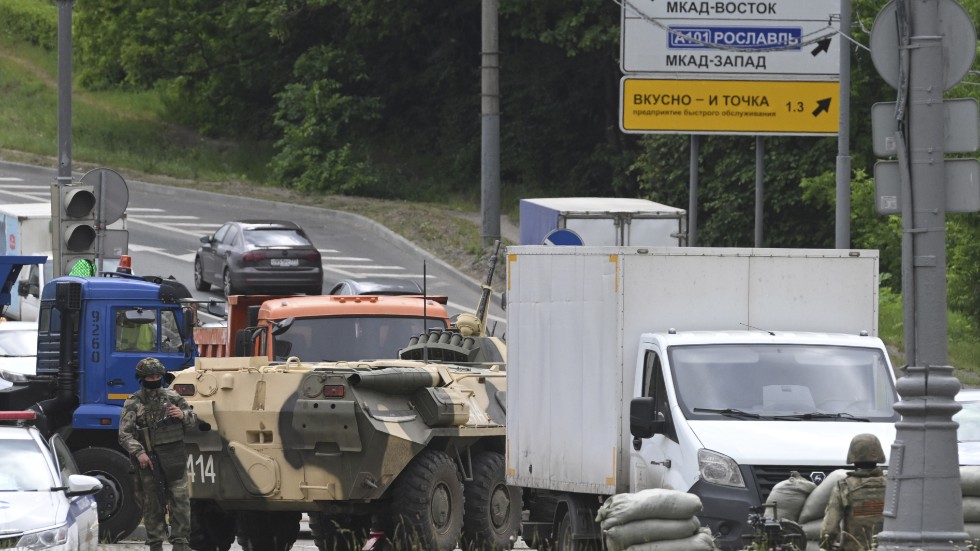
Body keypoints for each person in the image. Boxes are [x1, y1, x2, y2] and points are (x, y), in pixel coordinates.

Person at [118, 357, 198, 551]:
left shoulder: (173, 397)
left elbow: (193, 420)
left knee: (180, 501)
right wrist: (139, 453)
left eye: (157, 376)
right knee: (152, 503)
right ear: (142, 378)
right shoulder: (134, 402)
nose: (154, 379)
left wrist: (183, 415)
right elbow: (124, 434)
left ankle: (180, 543)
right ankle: (155, 543)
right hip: (150, 460)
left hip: (174, 457)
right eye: (150, 376)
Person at [819, 433, 887, 551]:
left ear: (852, 457)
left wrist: (826, 546)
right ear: (879, 455)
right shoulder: (892, 486)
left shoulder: (844, 486)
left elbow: (829, 529)